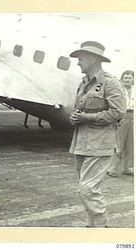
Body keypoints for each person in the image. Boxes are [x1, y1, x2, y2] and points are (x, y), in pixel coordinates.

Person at [69, 41, 126, 227]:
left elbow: (118, 112)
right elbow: (78, 109)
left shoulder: (110, 83)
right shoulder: (83, 83)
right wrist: (75, 118)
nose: (78, 63)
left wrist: (86, 118)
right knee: (88, 189)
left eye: (81, 58)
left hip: (100, 143)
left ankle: (101, 227)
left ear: (93, 59)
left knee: (87, 189)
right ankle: (91, 224)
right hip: (81, 143)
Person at [107, 70, 134, 177]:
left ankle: (127, 168)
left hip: (133, 116)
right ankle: (112, 168)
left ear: (133, 80)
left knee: (131, 144)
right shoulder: (118, 90)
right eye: (125, 78)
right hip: (123, 116)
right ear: (122, 80)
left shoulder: (134, 90)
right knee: (119, 144)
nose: (128, 80)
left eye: (130, 78)